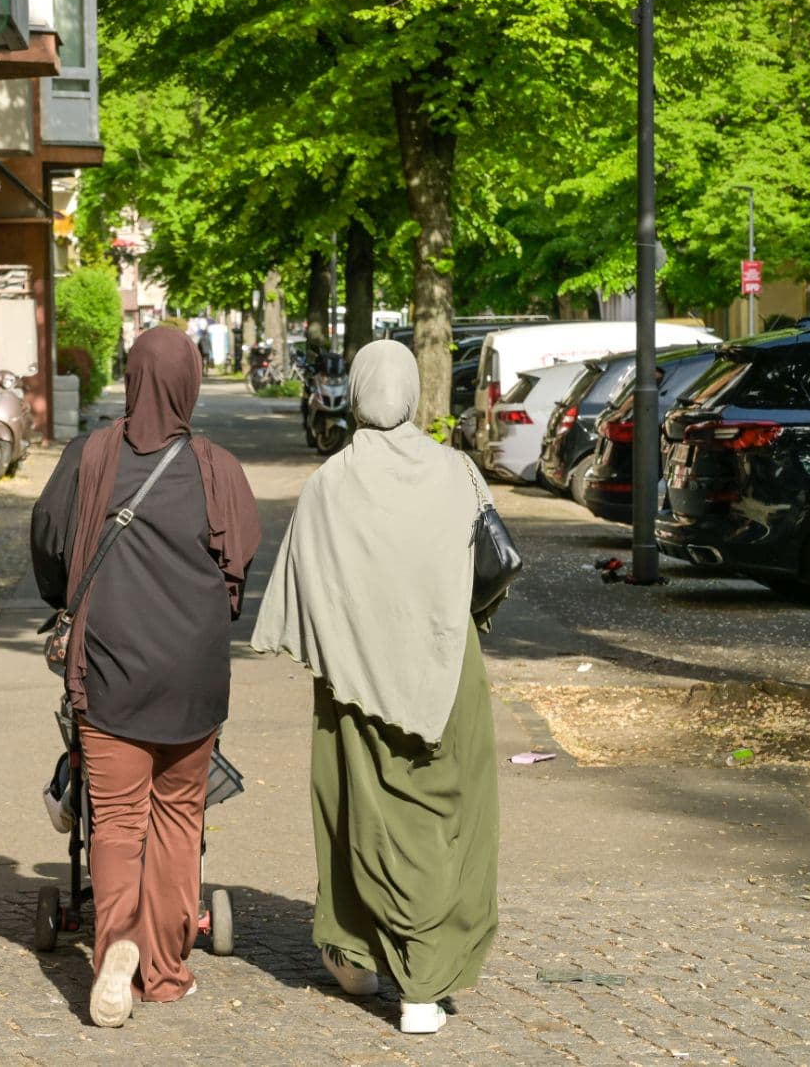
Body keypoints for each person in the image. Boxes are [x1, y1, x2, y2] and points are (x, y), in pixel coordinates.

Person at [250, 338, 500, 1036]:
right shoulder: (456, 471)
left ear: (358, 394)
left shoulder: (330, 483)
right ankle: (424, 985)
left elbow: (301, 586)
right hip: (447, 675)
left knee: (355, 811)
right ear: (414, 393)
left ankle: (356, 956)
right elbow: (486, 567)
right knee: (450, 820)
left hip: (354, 682)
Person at [31, 326, 260, 1028]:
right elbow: (239, 566)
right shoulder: (217, 468)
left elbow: (47, 538)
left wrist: (63, 599)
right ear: (190, 382)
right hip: (192, 680)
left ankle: (116, 951)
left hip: (110, 673)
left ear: (131, 379)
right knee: (178, 820)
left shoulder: (89, 455)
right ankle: (163, 969)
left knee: (118, 820)